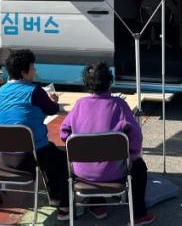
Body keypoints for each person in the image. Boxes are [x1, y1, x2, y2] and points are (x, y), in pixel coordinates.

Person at [60, 62, 156, 226]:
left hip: (82, 173)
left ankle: (86, 206)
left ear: (86, 83)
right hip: (114, 173)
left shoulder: (79, 104)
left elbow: (64, 134)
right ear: (110, 82)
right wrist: (131, 156)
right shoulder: (120, 105)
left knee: (69, 159)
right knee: (139, 167)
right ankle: (138, 215)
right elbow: (136, 137)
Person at [0, 49, 75, 221]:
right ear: (24, 72)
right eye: (32, 67)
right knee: (63, 159)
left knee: (50, 151)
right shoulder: (35, 91)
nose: (35, 70)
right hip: (31, 156)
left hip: (7, 156)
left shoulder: (2, 90)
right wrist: (53, 100)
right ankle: (63, 206)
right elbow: (52, 109)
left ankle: (54, 196)